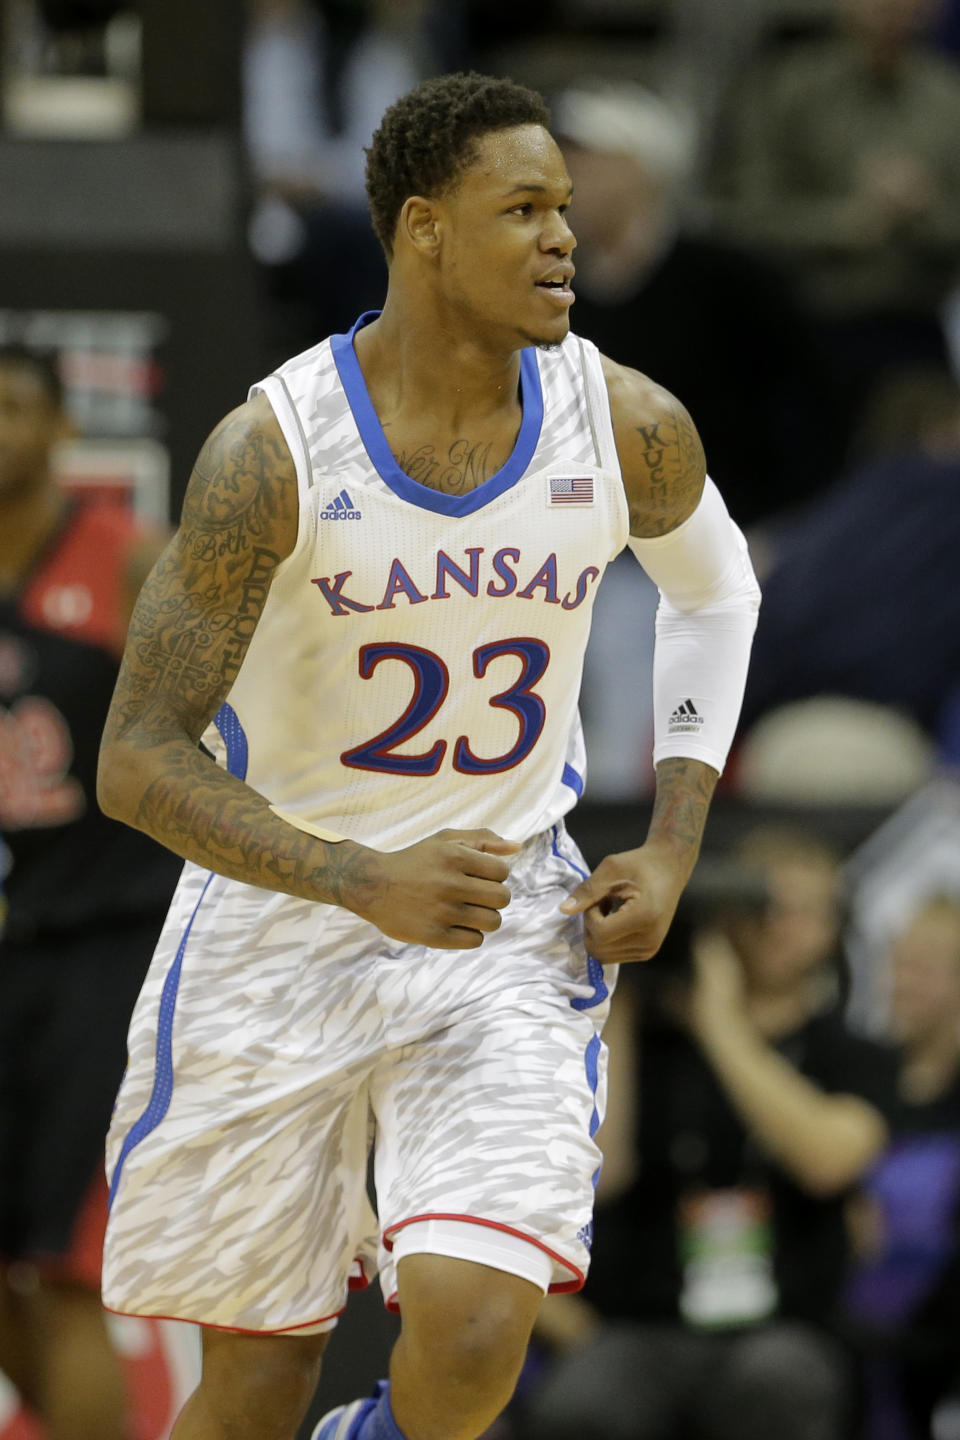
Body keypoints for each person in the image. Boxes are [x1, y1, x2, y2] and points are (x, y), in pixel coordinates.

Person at [96, 72, 761, 1440]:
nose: (563, 237)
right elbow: (137, 760)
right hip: (281, 924)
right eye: (523, 209)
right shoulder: (270, 453)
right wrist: (355, 876)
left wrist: (678, 840)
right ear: (423, 230)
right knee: (257, 1385)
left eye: (566, 207)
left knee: (470, 1334)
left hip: (500, 919)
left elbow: (718, 593)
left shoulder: (624, 420)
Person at [524, 826, 898, 1440]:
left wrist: (721, 1022)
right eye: (762, 906)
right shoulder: (650, 1036)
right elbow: (598, 1172)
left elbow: (830, 1159)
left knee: (774, 1383)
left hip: (787, 1327)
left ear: (834, 930)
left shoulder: (850, 1052)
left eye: (804, 911)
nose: (778, 925)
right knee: (585, 1402)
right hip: (642, 1324)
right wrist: (624, 1009)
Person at [0, 343, 181, 1440]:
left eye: (14, 405)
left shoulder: (127, 562)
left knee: (65, 1273)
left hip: (97, 950)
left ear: (64, 429)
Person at [846, 895, 960, 1439]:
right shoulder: (860, 1074)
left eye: (921, 968)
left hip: (937, 1335)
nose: (899, 982)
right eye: (895, 963)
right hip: (849, 1335)